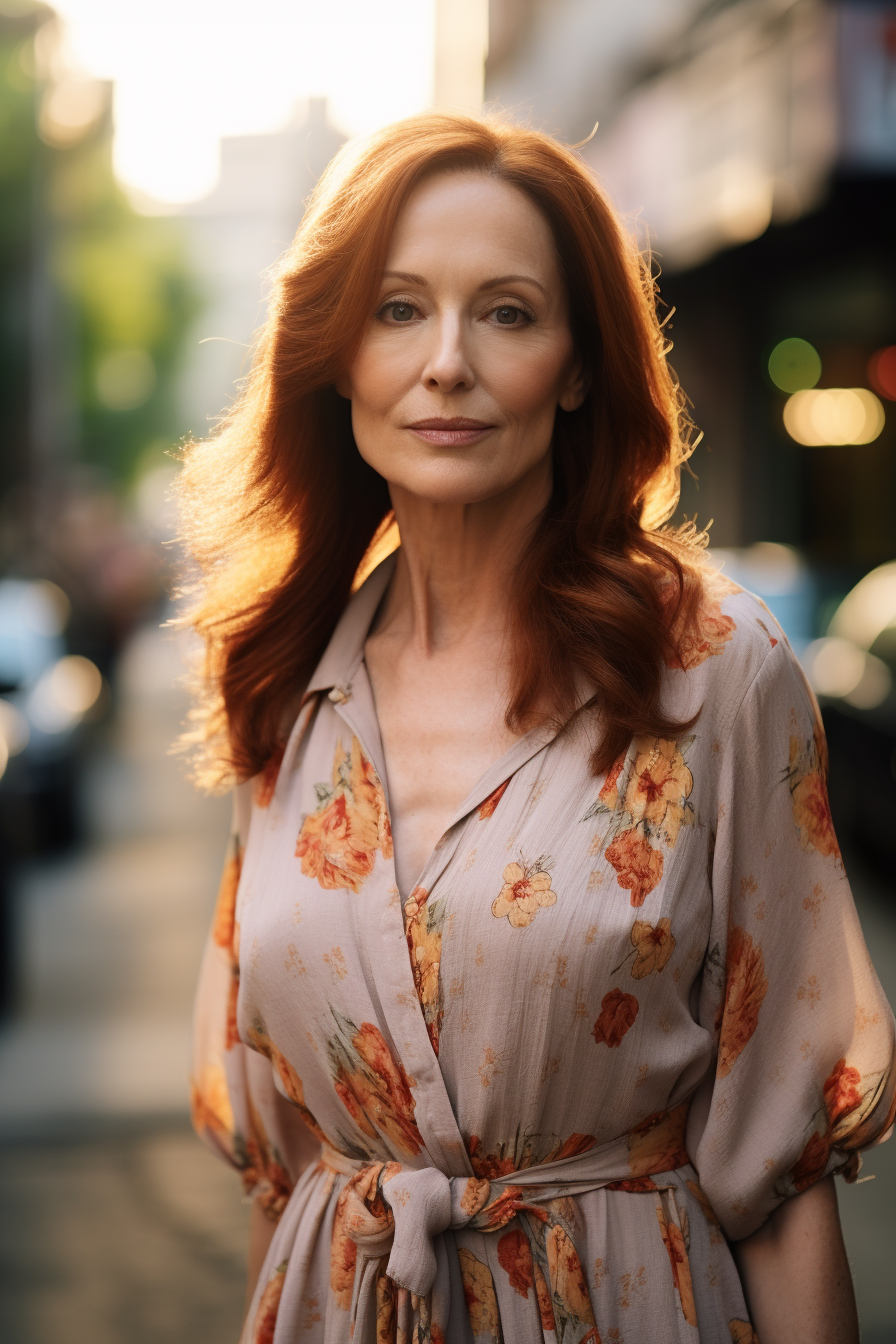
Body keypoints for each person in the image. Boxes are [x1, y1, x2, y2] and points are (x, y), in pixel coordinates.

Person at [182, 112, 895, 1344]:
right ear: (338, 355)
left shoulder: (715, 678)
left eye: (506, 312)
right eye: (398, 309)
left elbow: (781, 1189)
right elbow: (290, 1186)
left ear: (575, 366)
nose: (445, 361)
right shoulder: (283, 686)